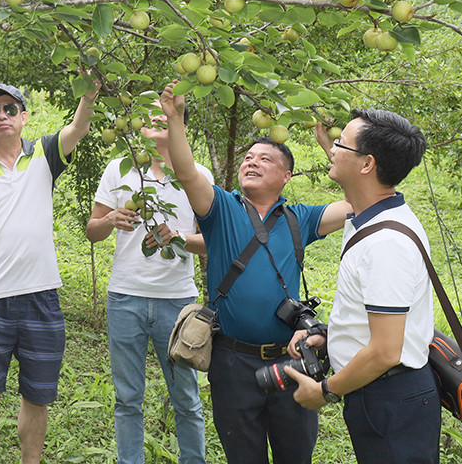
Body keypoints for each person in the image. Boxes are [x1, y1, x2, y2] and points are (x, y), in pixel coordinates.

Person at [159, 81, 349, 464]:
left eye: (265, 159)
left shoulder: (301, 218)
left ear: (286, 178)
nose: (252, 162)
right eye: (248, 157)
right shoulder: (222, 209)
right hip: (233, 363)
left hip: (291, 361)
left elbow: (355, 203)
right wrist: (175, 118)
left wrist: (334, 148)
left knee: (295, 456)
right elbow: (187, 173)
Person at [0, 80, 99, 464]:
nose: (2, 116)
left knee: (36, 396)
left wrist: (89, 93)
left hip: (41, 297)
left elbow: (78, 127)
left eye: (10, 109)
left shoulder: (45, 153)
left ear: (24, 116)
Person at [285, 110, 438, 464]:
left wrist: (324, 391)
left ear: (367, 164)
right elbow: (361, 189)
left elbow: (386, 350)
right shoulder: (373, 212)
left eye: (341, 144)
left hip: (389, 397)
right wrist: (334, 335)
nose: (333, 148)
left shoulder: (386, 243)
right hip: (380, 391)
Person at [85, 100, 209, 464]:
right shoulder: (120, 170)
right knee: (127, 397)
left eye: (164, 113)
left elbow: (213, 242)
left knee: (185, 396)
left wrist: (179, 237)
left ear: (179, 124)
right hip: (126, 298)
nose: (154, 119)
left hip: (177, 301)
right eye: (148, 114)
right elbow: (92, 231)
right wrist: (110, 220)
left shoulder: (197, 177)